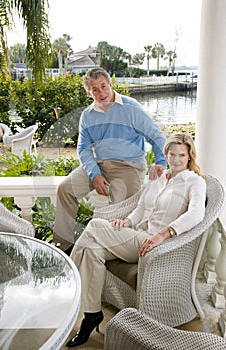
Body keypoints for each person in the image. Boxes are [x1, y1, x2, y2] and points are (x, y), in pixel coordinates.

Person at [66, 132, 207, 347]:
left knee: (94, 225)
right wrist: (127, 223)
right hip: (137, 234)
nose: (176, 159)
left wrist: (164, 234)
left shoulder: (194, 181)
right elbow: (141, 208)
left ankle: (68, 286)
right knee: (91, 250)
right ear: (165, 154)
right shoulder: (159, 176)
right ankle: (91, 315)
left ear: (189, 157)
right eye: (172, 154)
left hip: (154, 243)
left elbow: (196, 214)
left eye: (181, 155)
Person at [53, 67, 167, 253]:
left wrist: (161, 163)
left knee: (124, 209)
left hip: (129, 167)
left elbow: (156, 137)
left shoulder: (131, 108)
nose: (101, 93)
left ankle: (114, 251)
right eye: (95, 89)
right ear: (88, 93)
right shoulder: (88, 116)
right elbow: (83, 148)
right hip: (100, 165)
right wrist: (95, 174)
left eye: (103, 86)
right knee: (65, 189)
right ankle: (64, 247)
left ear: (111, 85)